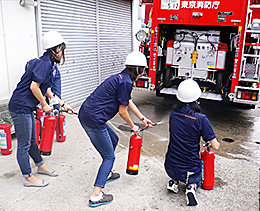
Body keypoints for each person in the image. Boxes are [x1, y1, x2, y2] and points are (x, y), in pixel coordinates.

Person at [78, 51, 154, 207]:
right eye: (143, 69)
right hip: (94, 120)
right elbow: (122, 111)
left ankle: (107, 172)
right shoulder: (125, 81)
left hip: (90, 114)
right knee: (109, 157)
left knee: (114, 139)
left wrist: (142, 119)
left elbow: (128, 101)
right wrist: (133, 126)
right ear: (137, 69)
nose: (144, 72)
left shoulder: (123, 78)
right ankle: (96, 195)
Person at [8, 31, 73, 187]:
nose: (63, 53)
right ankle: (27, 177)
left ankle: (40, 165)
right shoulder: (44, 63)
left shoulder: (47, 62)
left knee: (31, 140)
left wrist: (63, 104)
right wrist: (44, 105)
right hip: (20, 106)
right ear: (56, 49)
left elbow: (46, 89)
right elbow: (34, 87)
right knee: (24, 143)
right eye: (62, 49)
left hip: (26, 106)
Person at [164, 79, 220, 206]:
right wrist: (211, 142)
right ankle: (191, 187)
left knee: (176, 163)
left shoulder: (173, 115)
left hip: (170, 167)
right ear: (197, 99)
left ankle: (174, 182)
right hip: (191, 171)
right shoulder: (201, 119)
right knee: (196, 175)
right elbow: (215, 146)